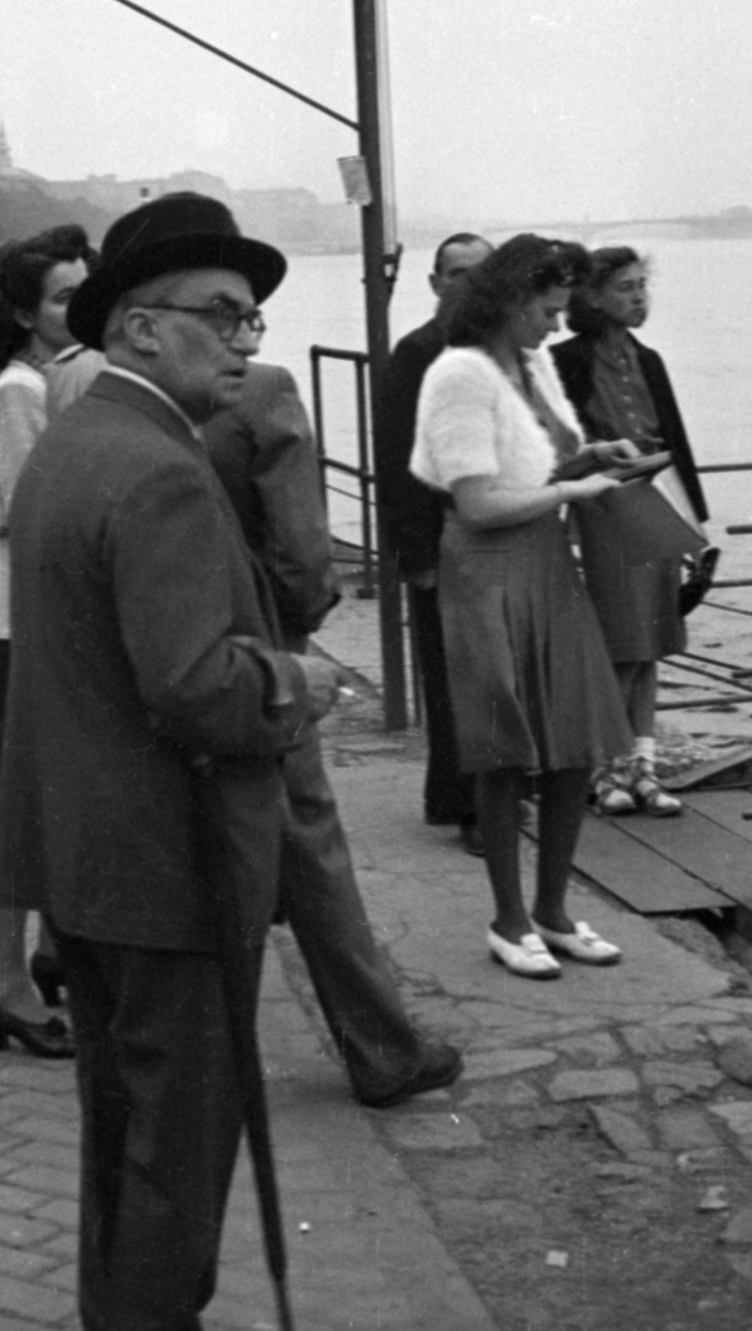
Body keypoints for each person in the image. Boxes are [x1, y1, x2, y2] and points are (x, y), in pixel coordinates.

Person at [0, 192, 342, 1331]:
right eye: (228, 317)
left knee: (122, 1138)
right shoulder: (162, 470)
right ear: (142, 327)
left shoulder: (74, 443)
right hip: (171, 872)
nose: (249, 343)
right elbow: (196, 688)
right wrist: (305, 684)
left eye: (254, 324)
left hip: (87, 865)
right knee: (177, 1166)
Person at [202, 360, 463, 1108]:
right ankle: (382, 1047)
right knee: (307, 835)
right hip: (260, 642)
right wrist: (301, 616)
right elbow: (301, 544)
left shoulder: (96, 391)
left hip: (168, 644)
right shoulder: (260, 390)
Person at [410, 235, 634, 979]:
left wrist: (590, 461)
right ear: (507, 301)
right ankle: (507, 918)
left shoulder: (532, 363)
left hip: (542, 558)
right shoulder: (457, 375)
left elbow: (535, 467)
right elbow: (475, 502)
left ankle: (553, 908)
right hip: (486, 567)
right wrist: (572, 492)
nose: (556, 324)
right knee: (504, 745)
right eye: (546, 309)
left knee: (568, 738)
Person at [0, 237, 88, 1059]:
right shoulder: (19, 393)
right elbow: (36, 512)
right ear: (22, 313)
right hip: (20, 629)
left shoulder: (55, 381)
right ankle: (4, 986)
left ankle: (50, 952)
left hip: (53, 624)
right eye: (59, 299)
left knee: (53, 805)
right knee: (14, 819)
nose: (76, 310)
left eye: (85, 292)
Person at [552, 245, 709, 817]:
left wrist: (696, 525)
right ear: (591, 296)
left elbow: (676, 443)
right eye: (625, 287)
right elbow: (556, 446)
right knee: (617, 647)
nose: (640, 296)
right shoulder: (565, 360)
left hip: (656, 508)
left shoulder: (651, 360)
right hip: (601, 513)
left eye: (643, 285)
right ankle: (605, 767)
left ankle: (643, 766)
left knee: (650, 648)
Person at [374, 233, 492, 853]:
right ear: (435, 281)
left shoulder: (501, 350)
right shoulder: (417, 353)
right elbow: (396, 460)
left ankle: (501, 794)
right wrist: (414, 554)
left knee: (501, 675)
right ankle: (465, 805)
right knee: (452, 682)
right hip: (444, 539)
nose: (468, 284)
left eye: (480, 272)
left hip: (499, 535)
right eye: (456, 273)